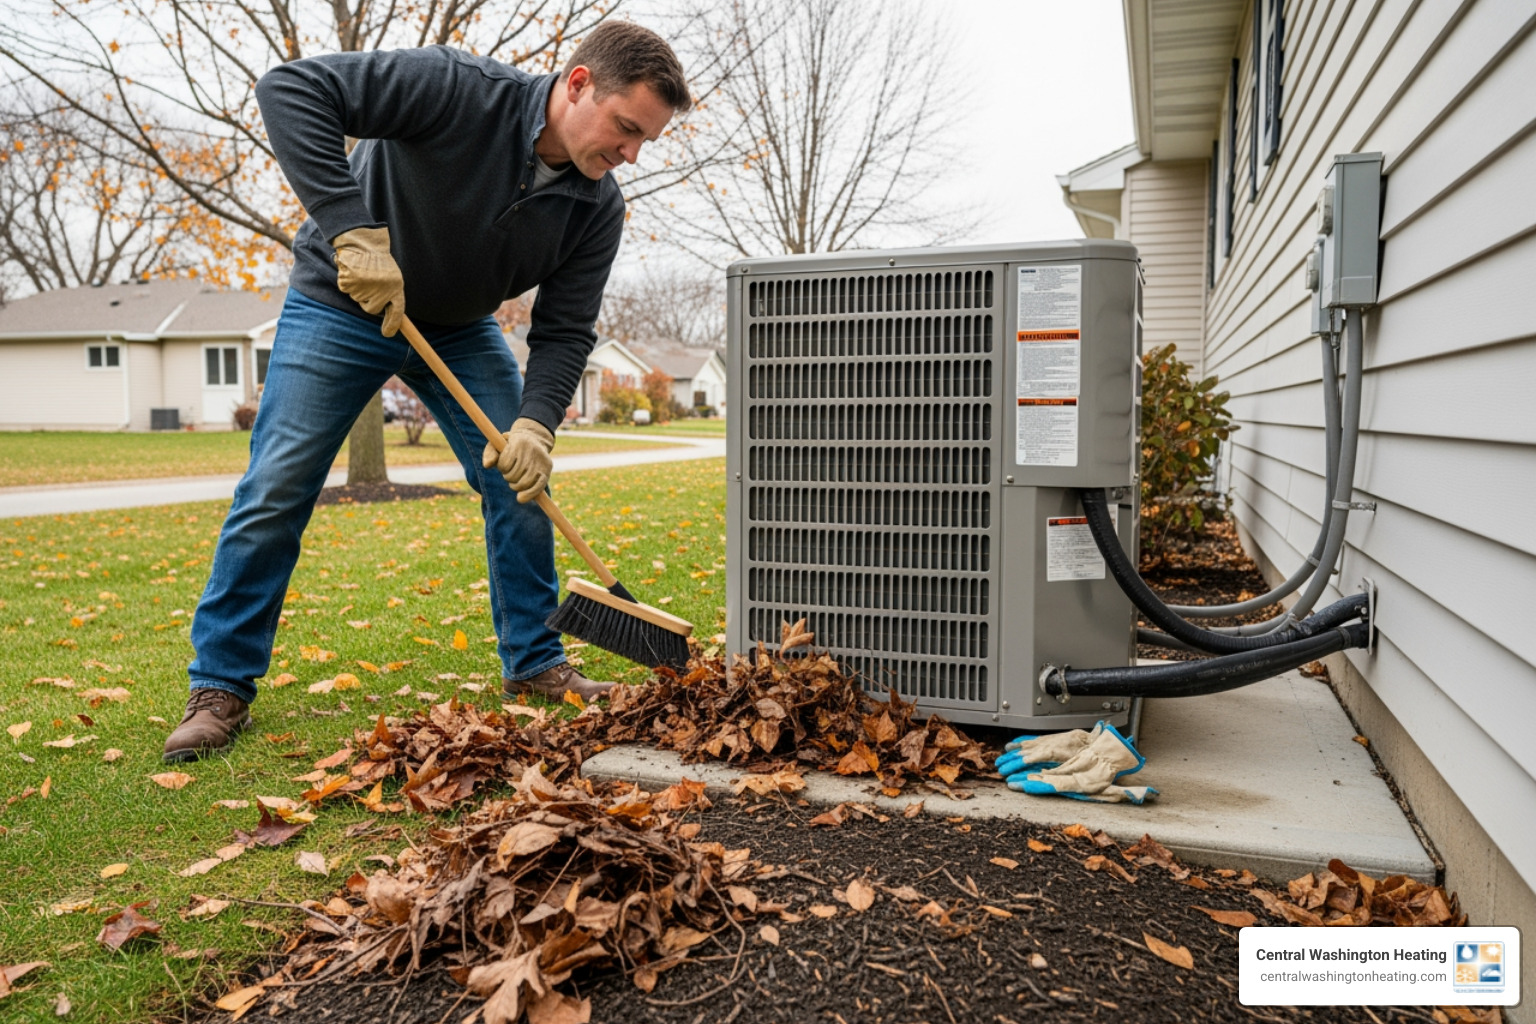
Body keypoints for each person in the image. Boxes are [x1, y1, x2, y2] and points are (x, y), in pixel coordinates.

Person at [163, 22, 692, 762]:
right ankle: (220, 687)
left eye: (645, 142)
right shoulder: (455, 89)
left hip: (457, 325)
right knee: (280, 482)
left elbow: (567, 329)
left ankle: (535, 663)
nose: (629, 154)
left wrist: (537, 423)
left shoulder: (595, 205)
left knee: (519, 480)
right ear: (577, 85)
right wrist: (351, 231)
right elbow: (291, 89)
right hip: (342, 301)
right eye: (626, 128)